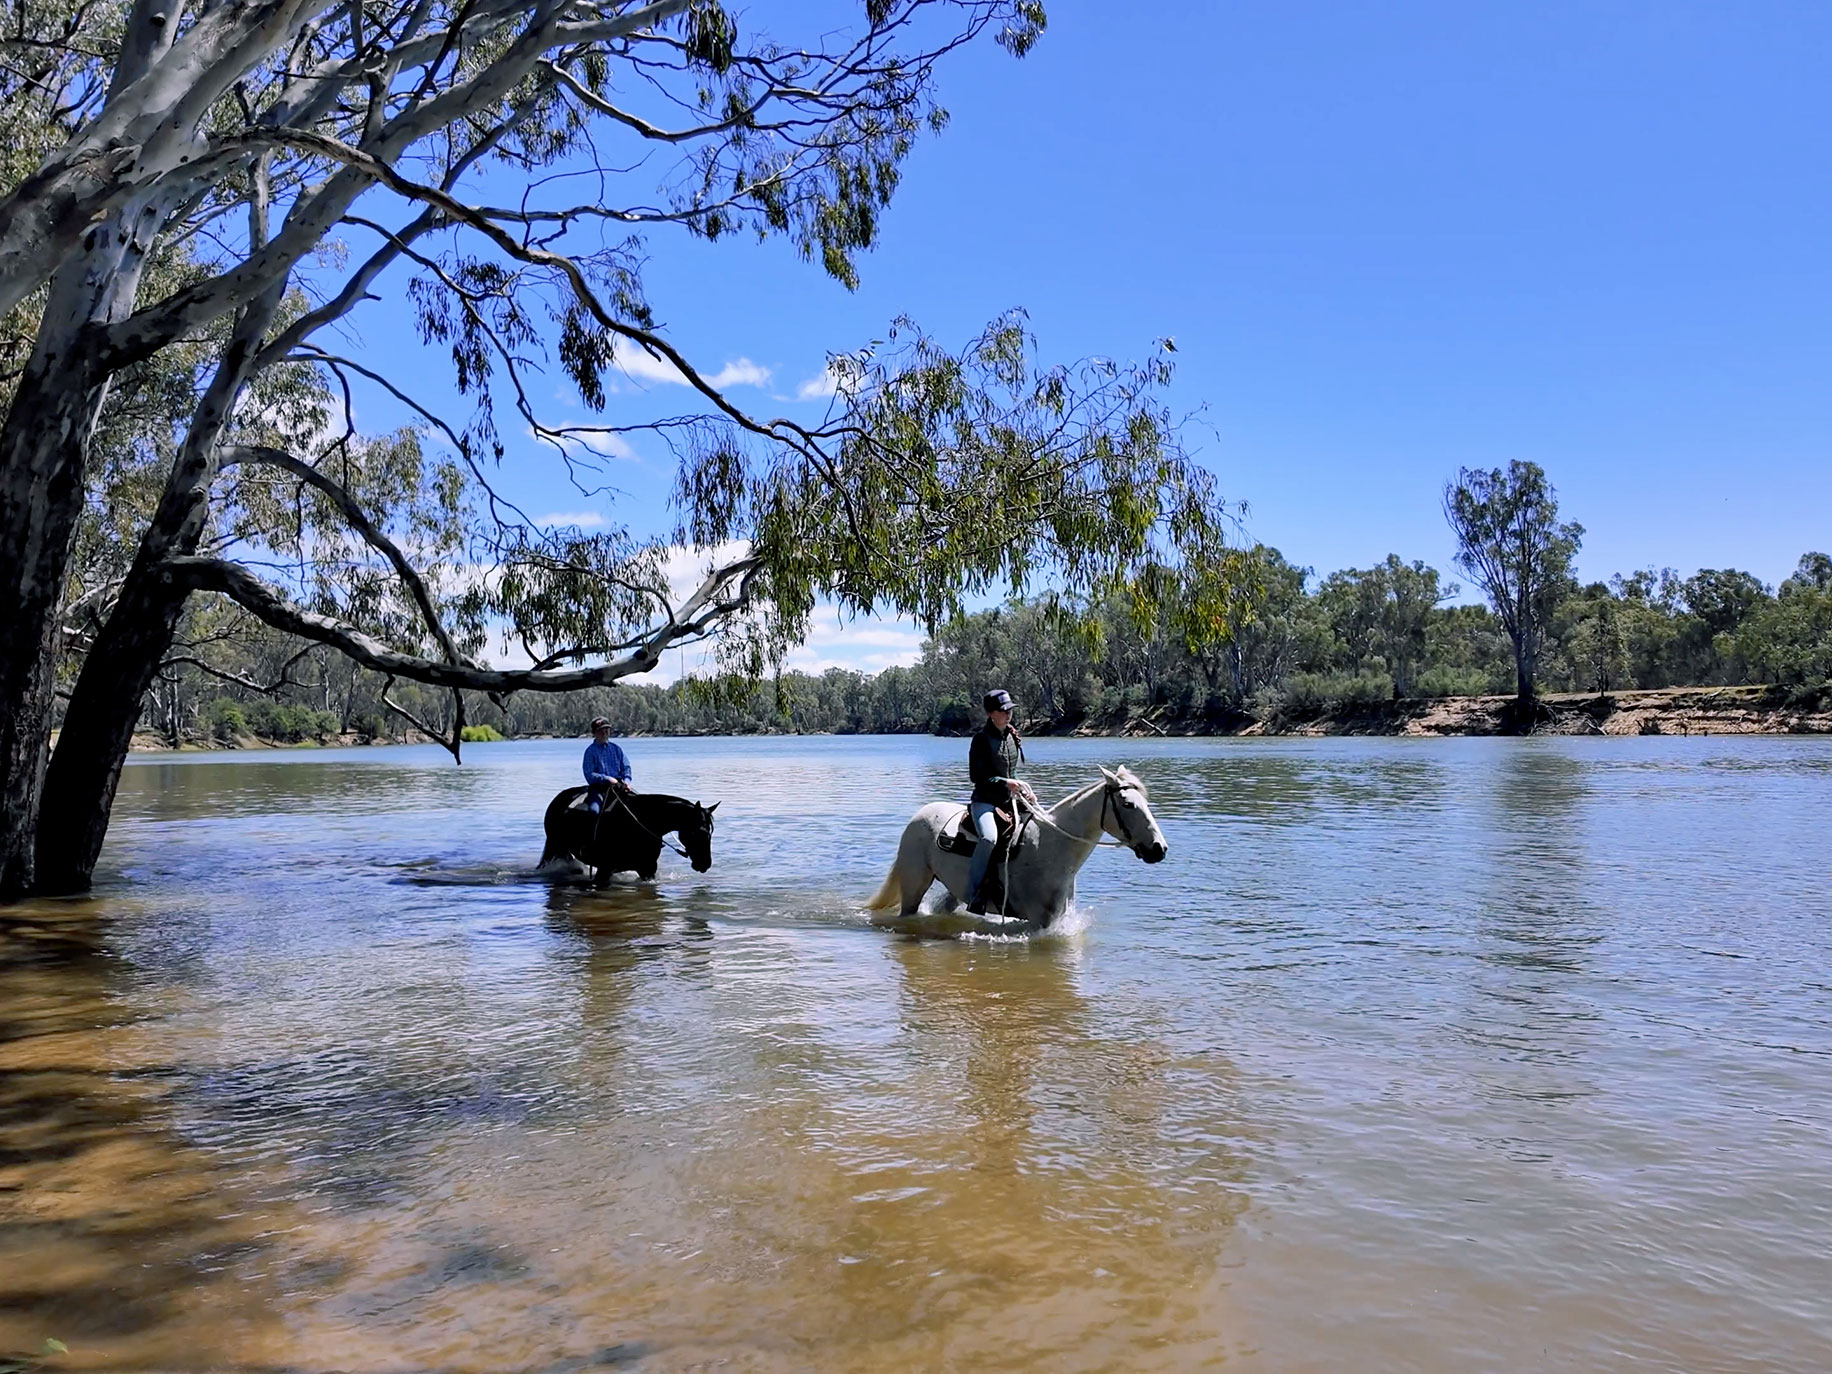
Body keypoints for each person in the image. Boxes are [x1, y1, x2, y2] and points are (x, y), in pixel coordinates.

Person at [965, 688, 1034, 912]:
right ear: (991, 713)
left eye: (1009, 710)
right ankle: (974, 893)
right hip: (984, 801)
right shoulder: (981, 740)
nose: (1008, 714)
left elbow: (1011, 773)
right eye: (1003, 710)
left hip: (1009, 799)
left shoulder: (1012, 736)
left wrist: (1024, 788)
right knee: (989, 839)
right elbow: (977, 777)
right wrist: (1006, 783)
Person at [582, 717, 633, 814]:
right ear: (594, 733)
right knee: (593, 811)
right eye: (601, 731)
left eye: (607, 730)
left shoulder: (616, 749)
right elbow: (589, 774)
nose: (604, 733)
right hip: (598, 789)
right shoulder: (590, 751)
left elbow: (626, 766)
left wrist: (627, 781)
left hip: (618, 787)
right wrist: (607, 779)